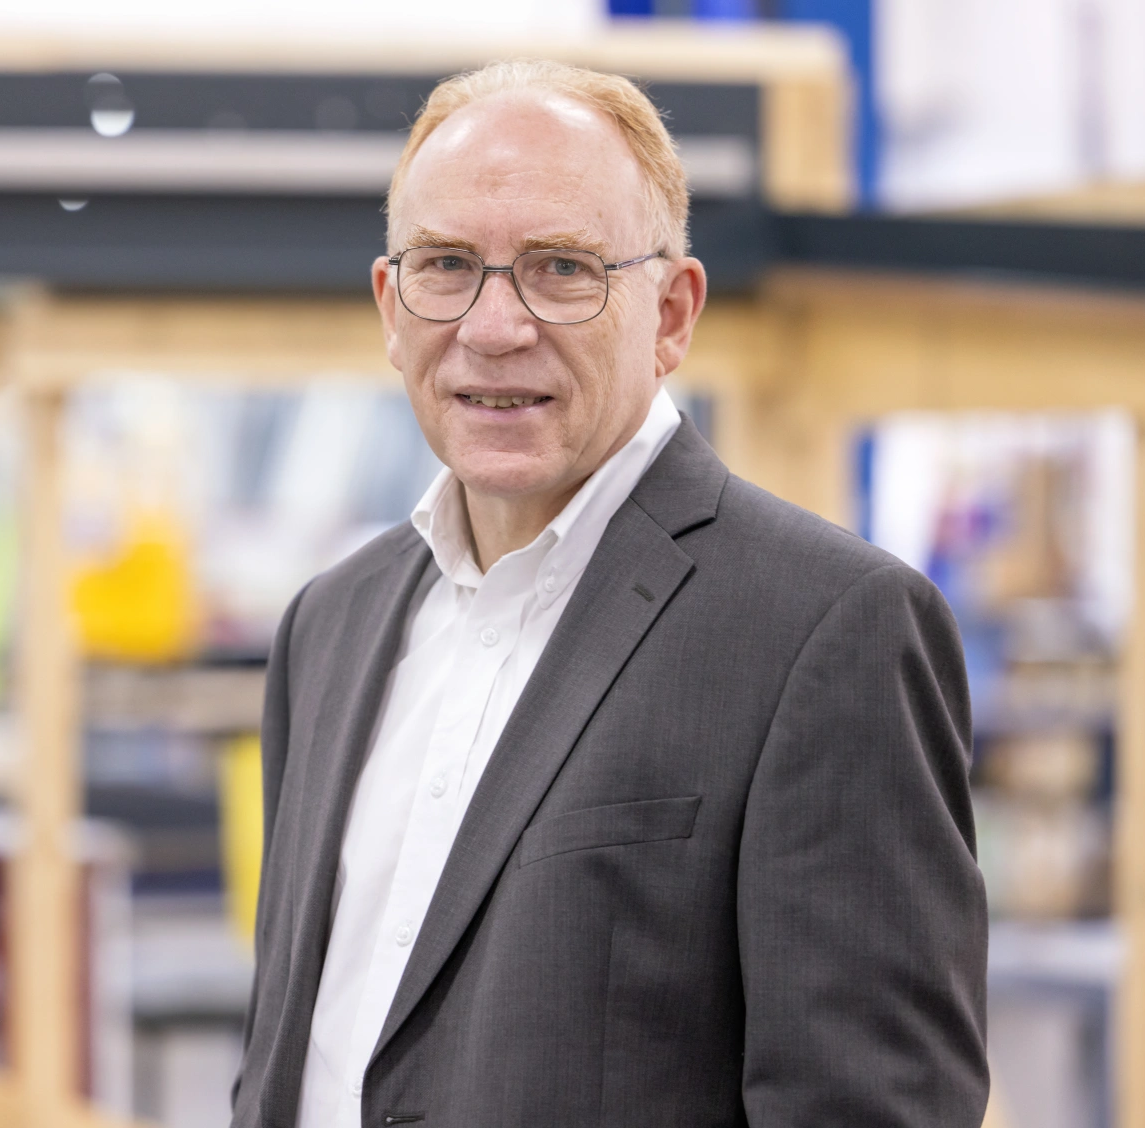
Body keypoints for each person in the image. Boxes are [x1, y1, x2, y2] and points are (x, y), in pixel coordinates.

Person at [232, 60, 987, 1128]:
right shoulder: (329, 628)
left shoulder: (828, 632)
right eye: (446, 266)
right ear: (390, 306)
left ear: (672, 313)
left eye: (561, 269)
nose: (494, 327)